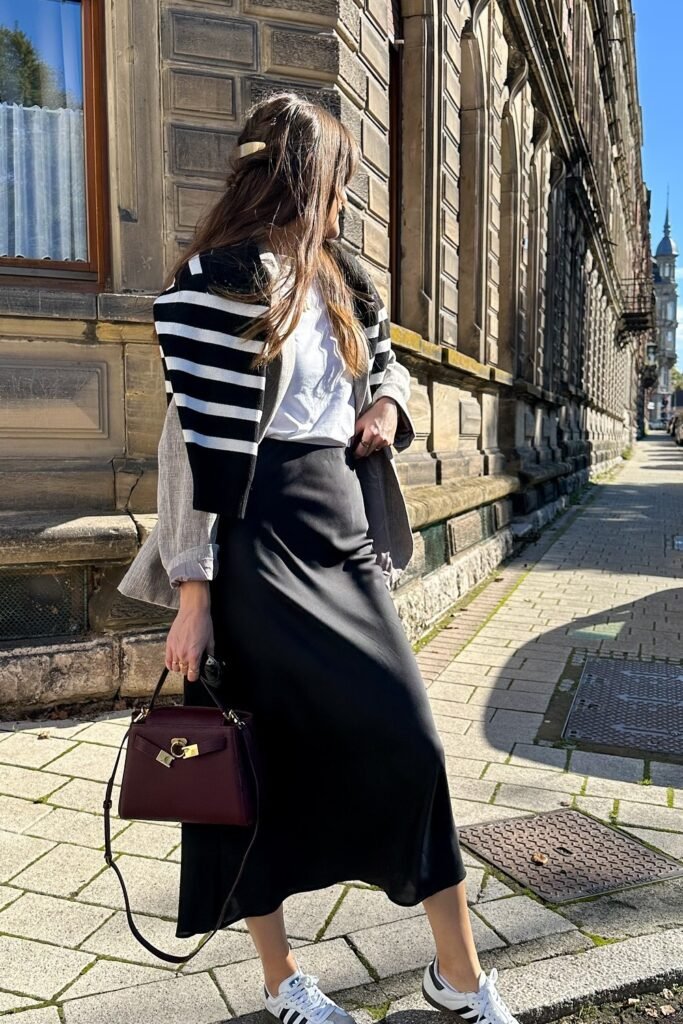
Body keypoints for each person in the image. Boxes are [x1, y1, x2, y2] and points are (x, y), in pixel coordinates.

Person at [125, 93, 519, 1024]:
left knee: (411, 742)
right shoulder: (216, 287)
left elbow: (382, 367)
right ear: (307, 177)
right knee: (252, 765)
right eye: (340, 178)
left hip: (339, 535)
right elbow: (187, 447)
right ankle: (282, 981)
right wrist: (192, 592)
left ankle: (456, 977)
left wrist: (384, 406)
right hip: (252, 546)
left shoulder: (341, 280)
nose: (348, 197)